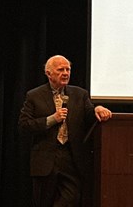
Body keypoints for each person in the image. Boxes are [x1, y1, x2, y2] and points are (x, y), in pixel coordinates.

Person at [19, 55, 112, 207]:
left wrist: (98, 108)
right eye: (60, 69)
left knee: (71, 198)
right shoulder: (34, 96)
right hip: (46, 159)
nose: (66, 73)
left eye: (68, 69)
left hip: (71, 157)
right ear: (49, 74)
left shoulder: (79, 94)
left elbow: (89, 113)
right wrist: (51, 119)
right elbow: (24, 125)